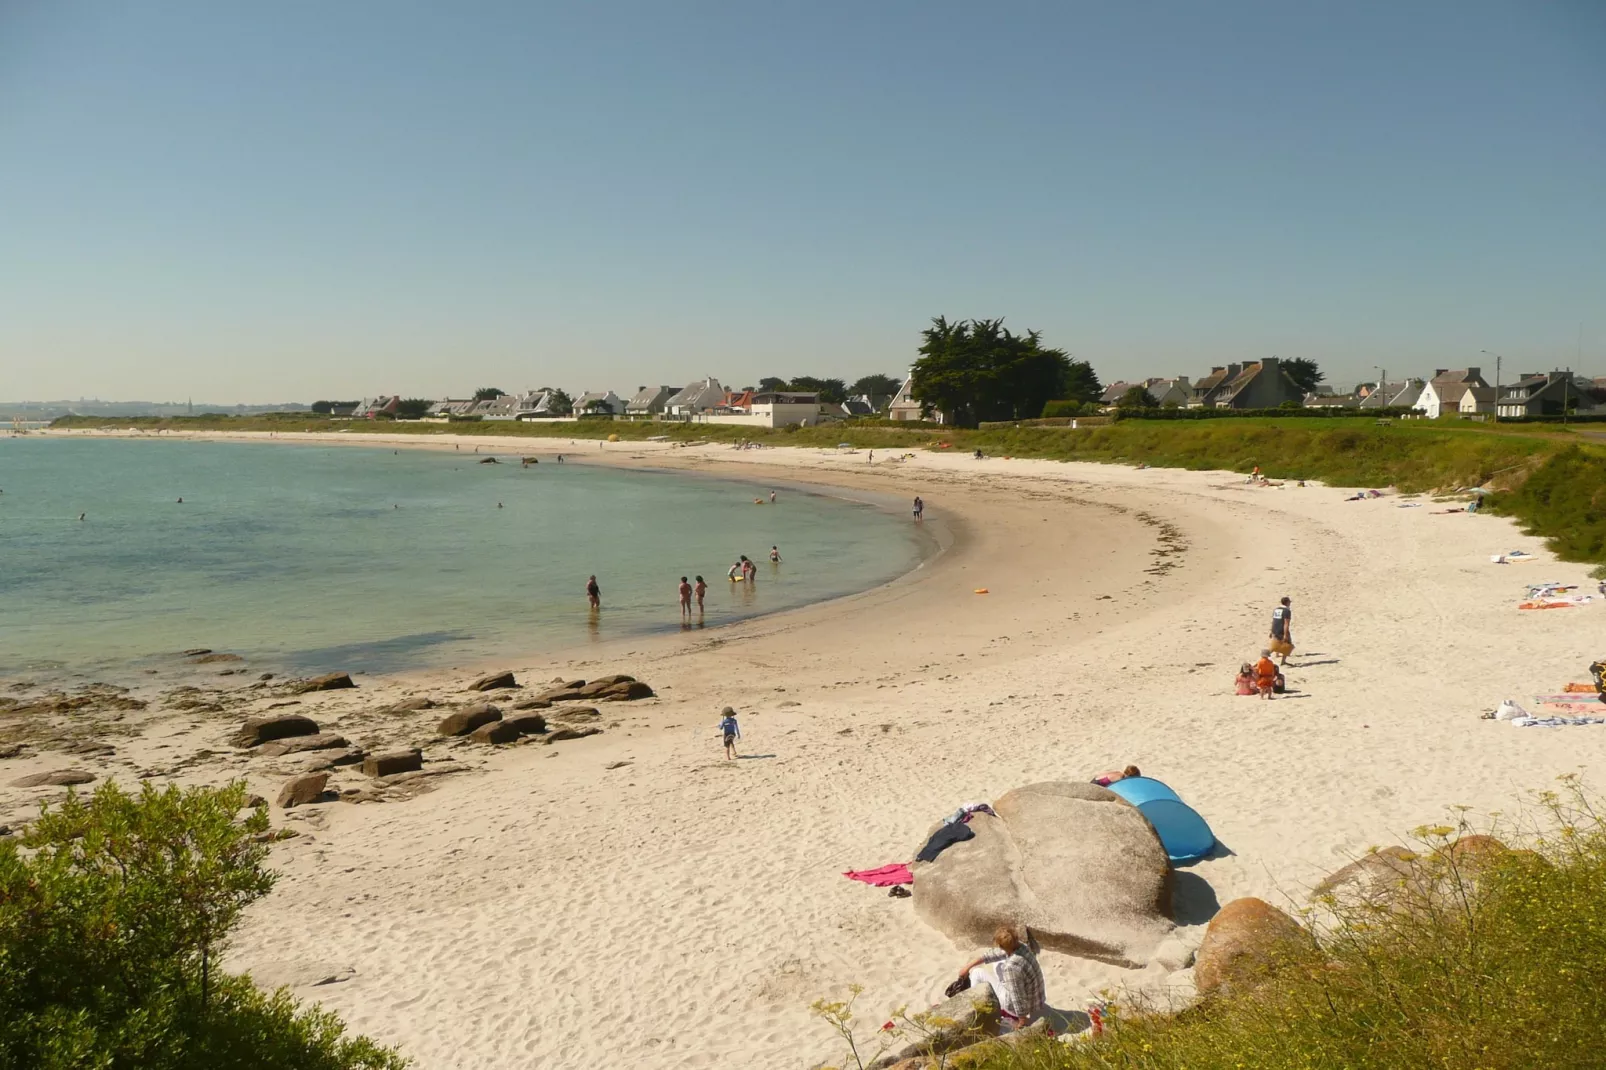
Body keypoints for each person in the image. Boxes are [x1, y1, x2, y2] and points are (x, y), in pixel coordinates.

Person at [955, 926, 1045, 1030]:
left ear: (1003, 946)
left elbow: (1017, 997)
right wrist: (968, 966)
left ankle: (975, 1007)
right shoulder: (1022, 946)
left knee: (977, 973)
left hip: (1015, 1006)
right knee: (997, 963)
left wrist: (1022, 1021)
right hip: (1036, 999)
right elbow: (995, 954)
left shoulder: (1011, 968)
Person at [1269, 597, 1293, 664]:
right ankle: (1283, 661)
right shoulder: (1287, 611)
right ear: (1287, 602)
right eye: (1289, 602)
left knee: (1275, 644)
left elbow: (1274, 621)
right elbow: (1286, 623)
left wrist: (1271, 631)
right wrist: (1286, 635)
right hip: (1281, 629)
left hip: (1275, 628)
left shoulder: (1276, 609)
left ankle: (1273, 655)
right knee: (1287, 643)